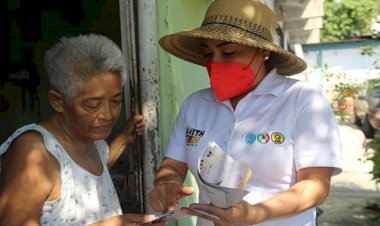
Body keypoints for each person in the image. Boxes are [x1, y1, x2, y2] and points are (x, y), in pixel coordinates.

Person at [147, 0, 342, 225]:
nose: (216, 63)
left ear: (263, 52)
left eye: (228, 52)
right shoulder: (196, 104)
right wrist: (166, 184)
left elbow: (315, 185)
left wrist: (255, 214)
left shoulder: (303, 100)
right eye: (208, 54)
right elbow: (173, 165)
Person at [0, 34, 165, 226]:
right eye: (92, 105)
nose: (108, 115)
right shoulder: (34, 152)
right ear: (58, 101)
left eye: (116, 101)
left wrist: (123, 139)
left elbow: (86, 176)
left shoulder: (91, 139)